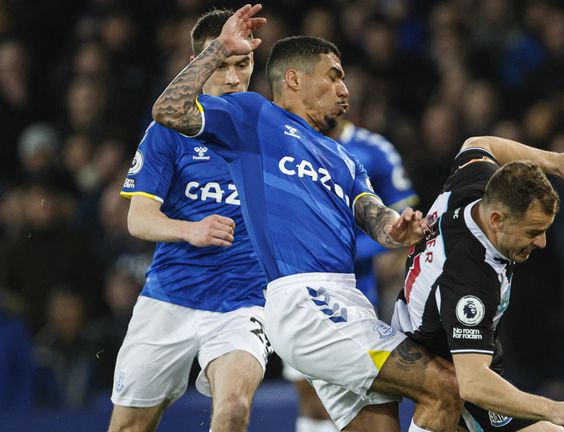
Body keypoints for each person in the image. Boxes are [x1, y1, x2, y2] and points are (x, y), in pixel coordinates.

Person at [152, 5, 462, 431]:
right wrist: (220, 47)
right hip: (306, 300)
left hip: (350, 300)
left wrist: (396, 229)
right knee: (446, 386)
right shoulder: (253, 116)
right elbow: (169, 111)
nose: (344, 87)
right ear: (294, 79)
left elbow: (375, 217)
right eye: (333, 75)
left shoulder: (346, 159)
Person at [109, 10, 270, 432]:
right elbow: (139, 219)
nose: (234, 78)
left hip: (243, 302)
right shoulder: (167, 131)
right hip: (170, 297)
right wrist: (190, 230)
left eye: (243, 64)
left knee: (233, 409)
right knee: (129, 426)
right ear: (199, 63)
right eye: (221, 64)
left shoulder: (267, 128)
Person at [391, 136, 564, 431]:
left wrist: (555, 163)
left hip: (451, 348)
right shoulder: (470, 279)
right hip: (441, 361)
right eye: (533, 231)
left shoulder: (477, 184)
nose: (542, 242)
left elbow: (479, 143)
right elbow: (473, 384)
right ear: (497, 219)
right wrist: (554, 409)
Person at [282, 119, 419, 432]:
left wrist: (380, 251)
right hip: (297, 285)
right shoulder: (285, 143)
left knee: (359, 400)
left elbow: (403, 217)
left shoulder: (373, 149)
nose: (338, 91)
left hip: (356, 291)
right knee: (310, 397)